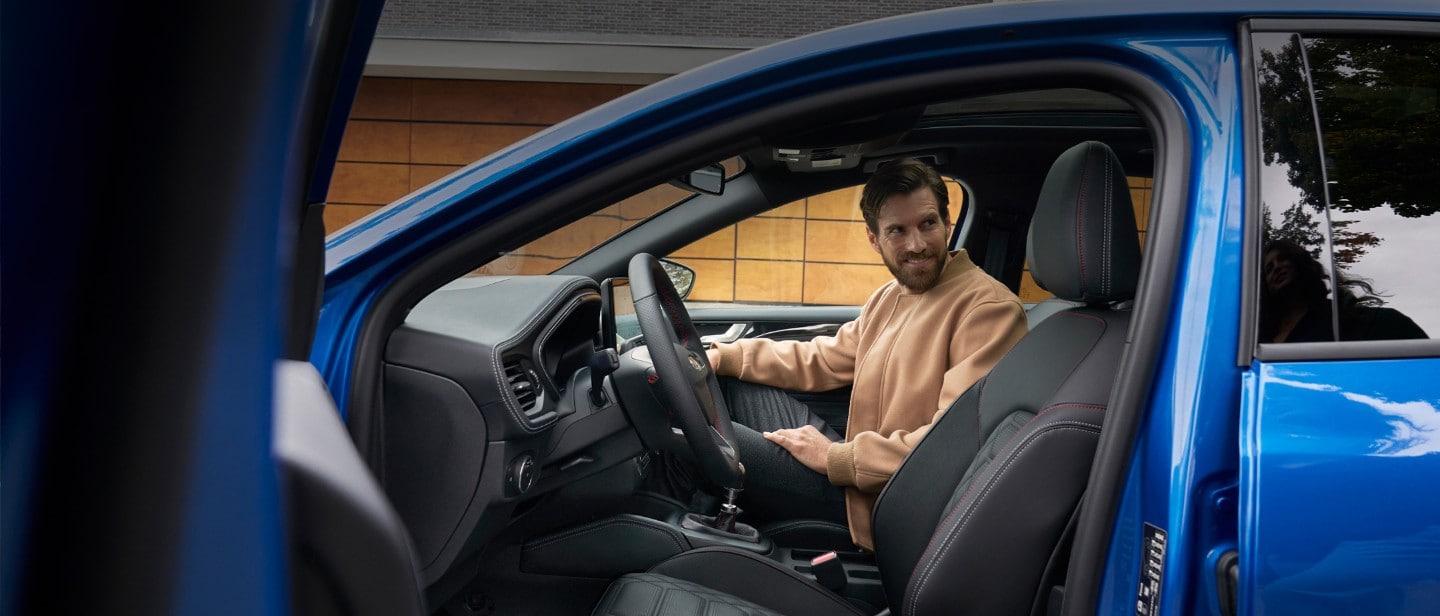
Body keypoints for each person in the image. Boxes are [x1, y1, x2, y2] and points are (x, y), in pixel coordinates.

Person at [697, 158, 1029, 551]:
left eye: (927, 224)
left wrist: (836, 459)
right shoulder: (890, 298)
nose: (917, 244)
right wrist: (725, 356)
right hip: (857, 469)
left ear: (947, 222)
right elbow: (822, 359)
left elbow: (950, 449)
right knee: (729, 386)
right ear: (874, 239)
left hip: (888, 503)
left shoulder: (988, 311)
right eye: (897, 231)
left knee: (695, 440)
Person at [1259, 239, 1426, 343]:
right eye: (1269, 268)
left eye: (1282, 259)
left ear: (1300, 264)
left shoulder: (1357, 321)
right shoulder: (1257, 340)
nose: (1277, 267)